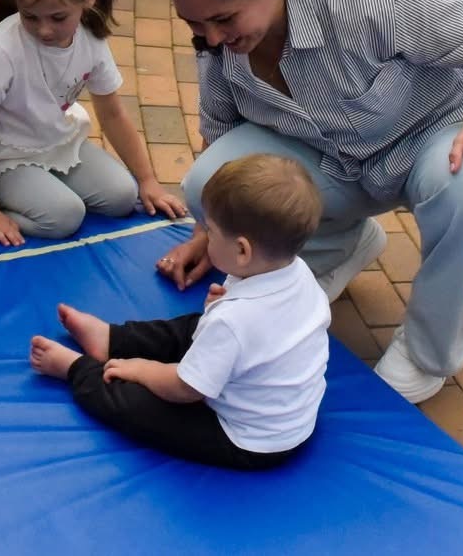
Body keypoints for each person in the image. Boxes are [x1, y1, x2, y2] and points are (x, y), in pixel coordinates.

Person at [153, 0, 463, 404]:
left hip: (431, 134)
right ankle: (340, 245)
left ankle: (426, 352)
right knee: (208, 186)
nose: (213, 39)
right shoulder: (216, 41)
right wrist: (208, 232)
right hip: (329, 158)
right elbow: (221, 135)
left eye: (223, 19)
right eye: (195, 25)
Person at [29, 153, 328, 470]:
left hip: (247, 439)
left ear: (242, 251)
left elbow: (185, 389)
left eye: (210, 232)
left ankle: (78, 369)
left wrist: (140, 369)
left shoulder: (233, 322)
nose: (205, 237)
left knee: (137, 408)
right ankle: (111, 338)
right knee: (194, 326)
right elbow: (269, 323)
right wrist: (224, 307)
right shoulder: (298, 273)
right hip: (285, 413)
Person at [0, 0, 188, 243]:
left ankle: (42, 189)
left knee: (123, 196)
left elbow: (112, 114)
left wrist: (148, 179)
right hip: (4, 155)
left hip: (56, 140)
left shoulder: (90, 38)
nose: (43, 30)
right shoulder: (0, 51)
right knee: (64, 217)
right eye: (30, 16)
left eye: (57, 17)